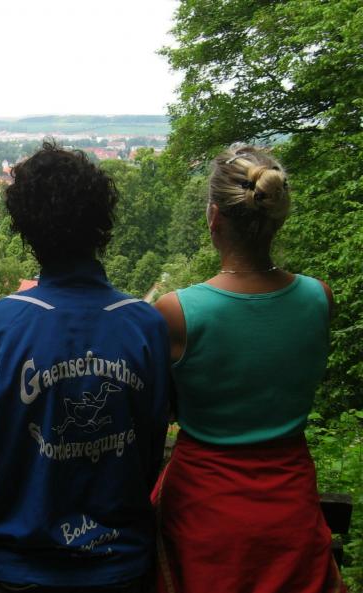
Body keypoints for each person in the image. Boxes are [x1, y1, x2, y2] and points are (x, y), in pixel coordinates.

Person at [0, 141, 170, 592]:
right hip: (117, 565)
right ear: (101, 221)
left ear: (25, 227)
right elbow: (149, 451)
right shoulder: (145, 326)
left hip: (14, 565)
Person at [152, 145, 345, 593]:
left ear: (213, 217)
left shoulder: (178, 311)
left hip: (203, 507)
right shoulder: (318, 298)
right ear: (279, 216)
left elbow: (161, 408)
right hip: (290, 504)